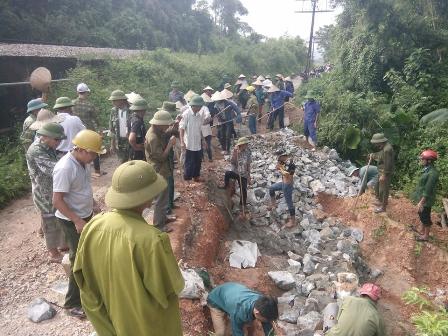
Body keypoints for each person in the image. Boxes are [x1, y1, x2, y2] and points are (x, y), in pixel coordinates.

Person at [73, 160, 184, 336]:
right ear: (148, 198)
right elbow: (167, 289)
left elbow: (81, 276)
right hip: (146, 327)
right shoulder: (152, 240)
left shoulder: (93, 226)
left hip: (108, 322)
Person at [52, 129, 104, 319]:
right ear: (81, 149)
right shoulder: (65, 167)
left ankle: (89, 288)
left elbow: (82, 188)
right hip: (70, 219)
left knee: (90, 253)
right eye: (93, 153)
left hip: (85, 214)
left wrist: (94, 205)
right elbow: (57, 201)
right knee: (77, 258)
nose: (94, 157)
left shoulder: (83, 163)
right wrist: (77, 221)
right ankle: (72, 303)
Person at [26, 122, 67, 263]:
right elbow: (52, 169)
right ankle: (53, 253)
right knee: (49, 222)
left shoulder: (47, 146)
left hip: (52, 189)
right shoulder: (36, 150)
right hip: (43, 193)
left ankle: (62, 244)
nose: (59, 142)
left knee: (58, 217)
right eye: (57, 139)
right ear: (46, 136)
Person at [145, 108, 178, 231]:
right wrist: (170, 145)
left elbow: (166, 134)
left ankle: (163, 217)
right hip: (158, 169)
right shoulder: (153, 137)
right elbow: (161, 157)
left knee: (164, 196)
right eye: (166, 125)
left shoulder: (157, 132)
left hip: (163, 169)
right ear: (159, 124)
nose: (167, 127)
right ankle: (159, 225)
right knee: (161, 198)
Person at [207, 282, 278, 336]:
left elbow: (268, 324)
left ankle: (229, 314)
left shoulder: (263, 301)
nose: (268, 322)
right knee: (221, 333)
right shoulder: (239, 312)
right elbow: (237, 332)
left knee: (248, 324)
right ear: (257, 313)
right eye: (266, 320)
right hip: (215, 301)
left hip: (230, 291)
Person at [72, 83, 104, 177]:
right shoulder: (90, 105)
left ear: (78, 92)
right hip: (89, 131)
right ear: (86, 93)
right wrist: (100, 130)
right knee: (94, 149)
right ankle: (97, 171)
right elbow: (96, 119)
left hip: (77, 132)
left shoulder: (72, 103)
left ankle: (80, 171)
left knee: (79, 151)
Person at [179, 95, 210, 181]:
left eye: (201, 106)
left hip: (197, 142)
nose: (200, 108)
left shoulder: (199, 116)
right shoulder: (186, 114)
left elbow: (200, 129)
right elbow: (181, 128)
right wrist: (182, 142)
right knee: (189, 161)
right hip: (189, 142)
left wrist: (203, 140)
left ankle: (196, 176)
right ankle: (187, 178)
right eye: (199, 106)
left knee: (198, 161)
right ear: (194, 105)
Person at [412, 149, 439, 242]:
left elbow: (428, 190)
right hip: (423, 198)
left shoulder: (432, 173)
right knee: (421, 213)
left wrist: (421, 202)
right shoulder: (427, 170)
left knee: (425, 216)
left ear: (429, 161)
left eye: (423, 159)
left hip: (426, 200)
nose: (421, 161)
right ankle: (421, 230)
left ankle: (426, 236)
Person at [221, 137, 251, 218]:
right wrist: (235, 153)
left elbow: (248, 164)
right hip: (236, 172)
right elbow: (232, 162)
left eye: (246, 144)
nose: (246, 145)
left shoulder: (248, 152)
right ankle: (226, 186)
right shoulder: (235, 151)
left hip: (243, 174)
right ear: (241, 145)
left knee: (243, 189)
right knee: (227, 173)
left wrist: (249, 176)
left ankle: (243, 204)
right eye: (245, 144)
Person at [268, 152, 296, 228]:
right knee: (271, 188)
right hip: (283, 183)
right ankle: (274, 204)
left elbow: (288, 176)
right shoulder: (282, 162)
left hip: (288, 185)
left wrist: (280, 169)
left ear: (284, 156)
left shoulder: (291, 164)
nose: (278, 158)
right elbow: (276, 167)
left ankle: (293, 221)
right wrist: (279, 164)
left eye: (280, 157)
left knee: (289, 202)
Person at [370, 133, 394, 213]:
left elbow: (388, 163)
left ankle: (383, 207)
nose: (375, 145)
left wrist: (384, 175)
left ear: (380, 141)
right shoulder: (384, 147)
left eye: (376, 143)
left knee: (383, 190)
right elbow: (380, 155)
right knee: (377, 184)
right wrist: (372, 155)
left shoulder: (387, 149)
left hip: (385, 172)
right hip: (380, 171)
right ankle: (380, 201)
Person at [214, 90, 241, 154]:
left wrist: (237, 117)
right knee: (221, 136)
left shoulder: (229, 103)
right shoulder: (216, 105)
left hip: (229, 121)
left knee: (228, 135)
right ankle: (223, 149)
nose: (218, 100)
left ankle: (228, 150)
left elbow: (237, 110)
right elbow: (217, 114)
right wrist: (218, 121)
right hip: (222, 121)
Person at [108, 89, 131, 163]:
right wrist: (112, 144)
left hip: (131, 142)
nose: (112, 102)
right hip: (120, 142)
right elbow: (111, 129)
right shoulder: (113, 111)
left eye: (114, 100)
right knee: (122, 164)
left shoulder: (131, 110)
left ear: (122, 100)